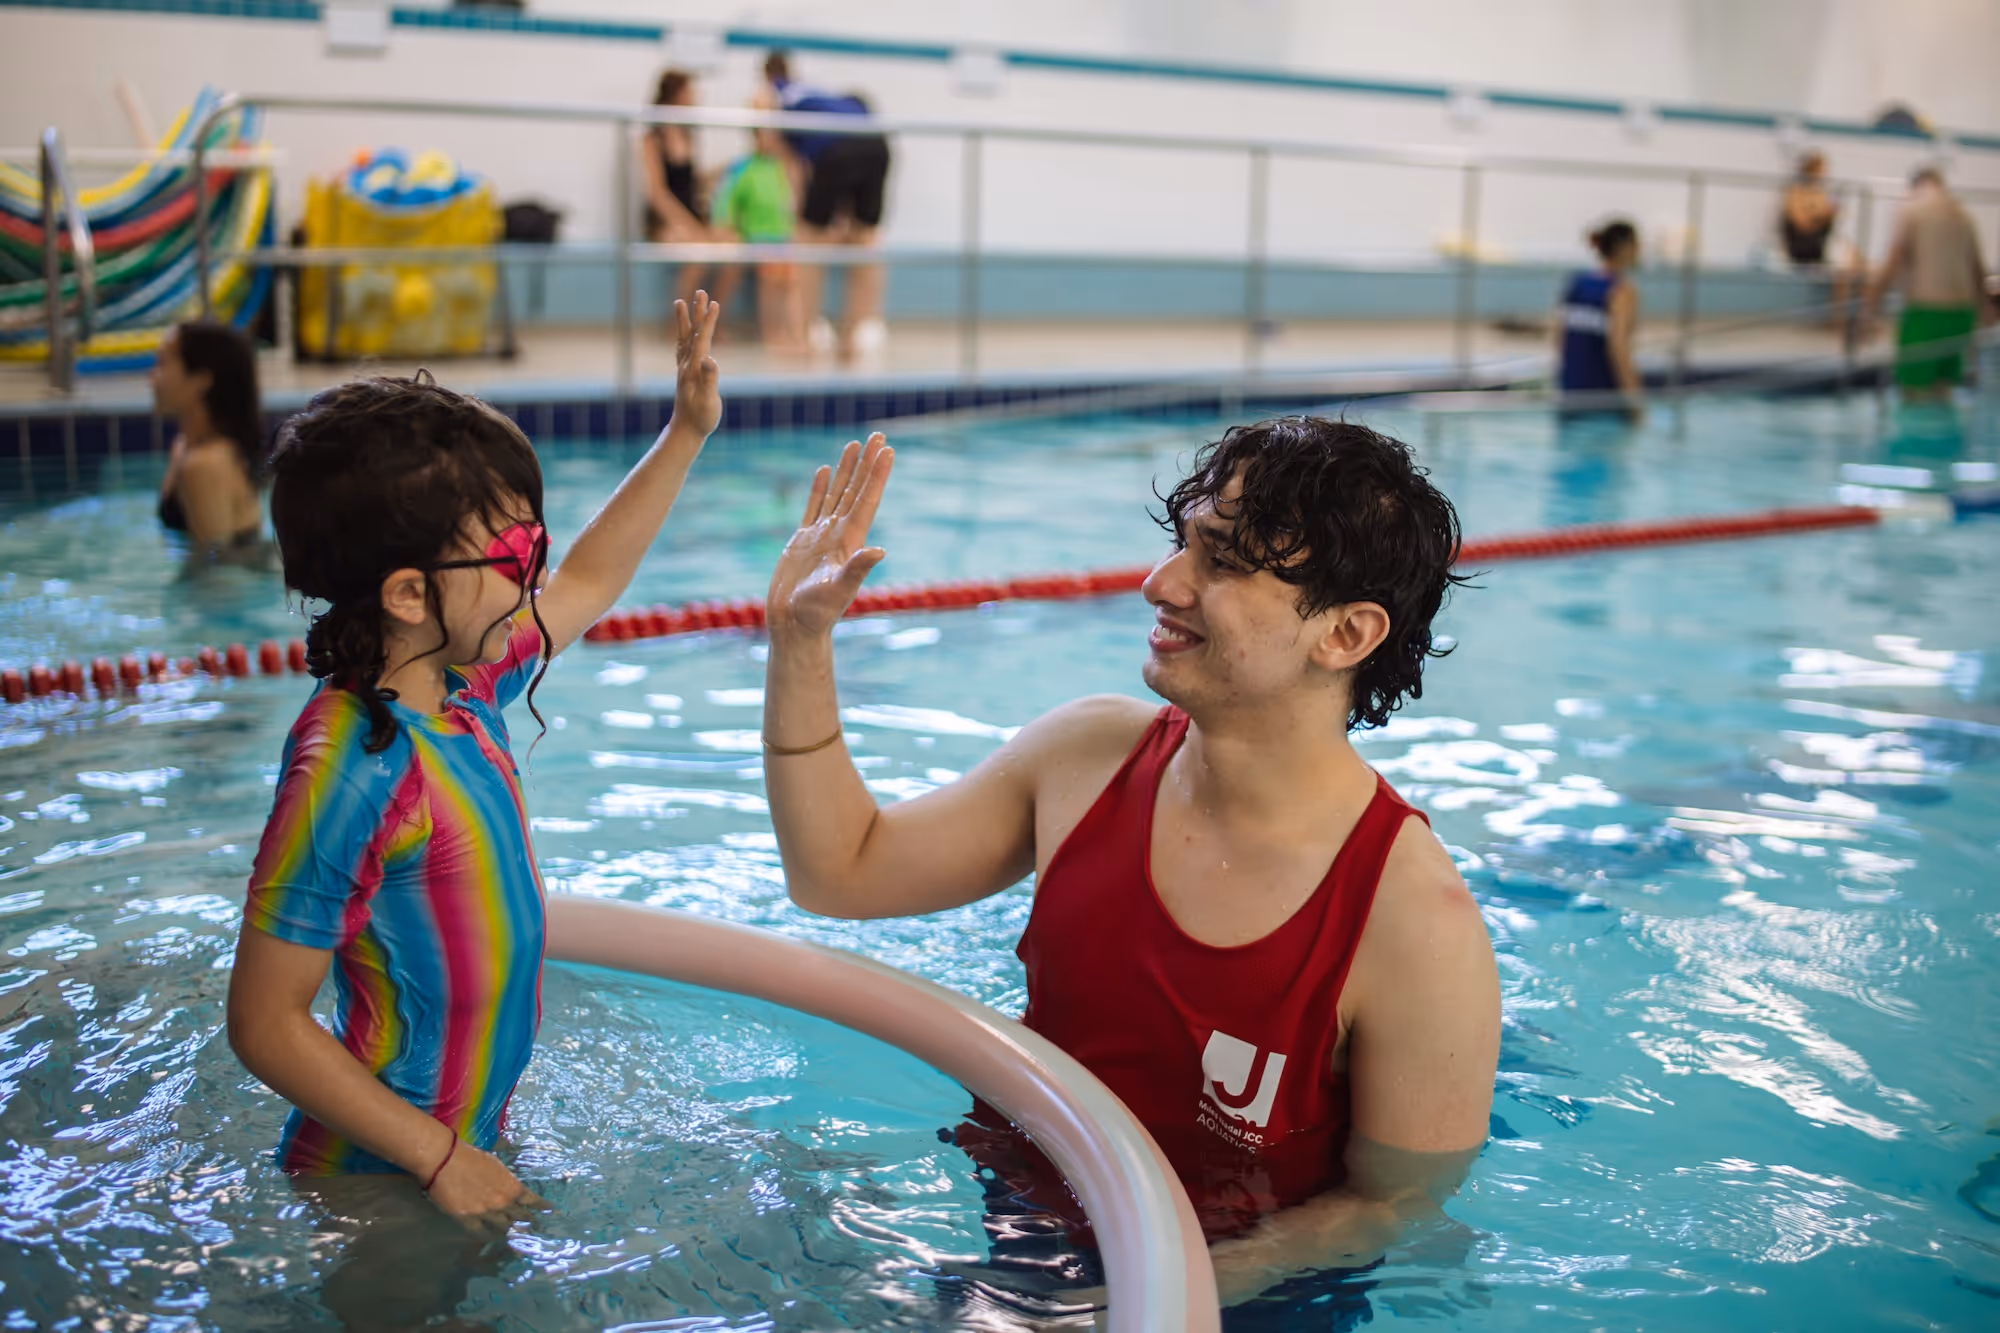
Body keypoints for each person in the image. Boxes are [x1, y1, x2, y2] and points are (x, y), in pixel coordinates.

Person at [759, 420, 1501, 1310]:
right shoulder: (1085, 760)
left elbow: (1396, 1203)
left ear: (1344, 633)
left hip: (1245, 1298)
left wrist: (1153, 1294)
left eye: (1222, 562)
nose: (1161, 583)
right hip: (1020, 1230)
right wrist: (799, 643)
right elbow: (840, 871)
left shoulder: (1411, 920)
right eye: (1181, 543)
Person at [225, 295, 723, 1219]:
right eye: (513, 551)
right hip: (373, 1181)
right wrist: (436, 1156)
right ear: (410, 592)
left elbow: (591, 580)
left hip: (458, 1142)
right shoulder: (354, 760)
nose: (535, 573)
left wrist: (685, 432)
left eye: (532, 541)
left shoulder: (469, 685)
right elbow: (263, 1020)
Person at [761, 51, 890, 361]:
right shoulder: (819, 93)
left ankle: (802, 339)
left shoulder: (772, 97)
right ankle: (850, 341)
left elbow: (789, 162)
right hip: (877, 145)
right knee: (865, 242)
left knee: (807, 243)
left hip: (836, 149)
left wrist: (804, 215)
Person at [1864, 166, 1995, 402]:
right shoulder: (1963, 215)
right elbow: (1978, 269)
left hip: (1926, 314)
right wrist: (1986, 312)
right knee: (1942, 396)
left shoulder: (1912, 210)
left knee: (1913, 396)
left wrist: (1870, 304)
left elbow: (1893, 262)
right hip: (1961, 316)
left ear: (1915, 187)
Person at [151, 320, 265, 560]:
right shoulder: (184, 446)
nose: (151, 376)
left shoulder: (204, 465)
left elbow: (218, 576)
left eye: (163, 364)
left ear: (201, 380)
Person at [709, 127, 804, 351]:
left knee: (791, 279)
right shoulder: (744, 167)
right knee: (768, 274)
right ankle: (772, 334)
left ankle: (798, 334)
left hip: (779, 237)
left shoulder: (781, 167)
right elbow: (724, 204)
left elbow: (791, 207)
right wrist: (726, 229)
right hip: (754, 236)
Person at [639, 69, 713, 312]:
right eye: (690, 91)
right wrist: (688, 225)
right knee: (698, 251)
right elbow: (657, 193)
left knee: (732, 245)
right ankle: (681, 323)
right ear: (676, 95)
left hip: (691, 214)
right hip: (664, 220)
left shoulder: (687, 135)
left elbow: (694, 181)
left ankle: (711, 321)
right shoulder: (652, 139)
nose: (694, 96)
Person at [1556, 219, 1643, 419]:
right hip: (1604, 400)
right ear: (1625, 248)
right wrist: (1636, 403)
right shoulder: (1622, 291)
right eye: (1637, 244)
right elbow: (1619, 348)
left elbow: (1559, 338)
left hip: (1570, 395)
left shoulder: (1576, 283)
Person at [1778, 152, 1857, 324]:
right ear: (1810, 170)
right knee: (1844, 269)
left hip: (1821, 241)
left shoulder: (1820, 193)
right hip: (1804, 246)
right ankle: (1839, 321)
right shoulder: (1794, 192)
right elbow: (1802, 224)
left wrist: (1831, 214)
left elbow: (1827, 218)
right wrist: (1823, 215)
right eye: (1820, 171)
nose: (1823, 175)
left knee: (1859, 265)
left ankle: (1860, 319)